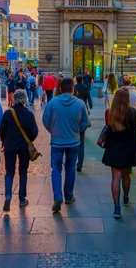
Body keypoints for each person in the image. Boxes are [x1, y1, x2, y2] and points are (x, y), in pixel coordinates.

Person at [42, 78, 90, 213]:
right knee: (70, 168)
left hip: (57, 141)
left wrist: (54, 131)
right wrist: (76, 131)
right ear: (73, 89)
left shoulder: (52, 103)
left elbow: (45, 121)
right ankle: (68, 196)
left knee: (56, 169)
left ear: (60, 89)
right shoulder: (80, 104)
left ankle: (57, 196)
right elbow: (85, 123)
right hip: (74, 141)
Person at [102, 88, 136, 219]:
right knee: (126, 175)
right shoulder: (133, 113)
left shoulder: (110, 113)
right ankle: (125, 197)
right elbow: (135, 129)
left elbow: (107, 128)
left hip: (114, 148)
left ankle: (116, 207)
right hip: (129, 147)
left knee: (115, 177)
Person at [0, 89, 39, 211]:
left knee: (9, 171)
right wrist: (29, 140)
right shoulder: (28, 114)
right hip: (23, 147)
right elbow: (34, 132)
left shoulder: (7, 113)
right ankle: (22, 199)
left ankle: (8, 195)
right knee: (23, 171)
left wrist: (4, 141)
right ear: (25, 99)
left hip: (10, 146)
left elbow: (1, 130)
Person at [73, 75, 93, 172]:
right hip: (83, 108)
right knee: (81, 142)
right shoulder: (85, 87)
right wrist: (91, 105)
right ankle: (80, 164)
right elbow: (88, 97)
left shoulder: (74, 88)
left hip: (74, 113)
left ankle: (72, 162)